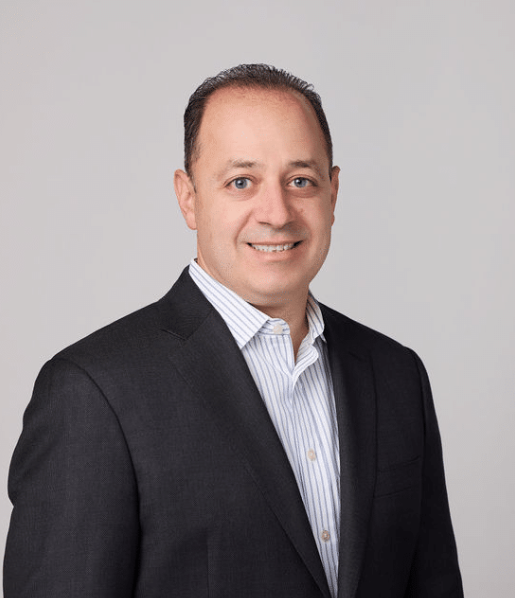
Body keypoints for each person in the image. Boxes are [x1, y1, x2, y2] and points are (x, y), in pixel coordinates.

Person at [4, 64, 464, 598]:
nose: (277, 213)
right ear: (189, 198)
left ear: (333, 193)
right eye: (241, 182)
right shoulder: (92, 393)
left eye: (300, 180)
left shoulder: (396, 375)